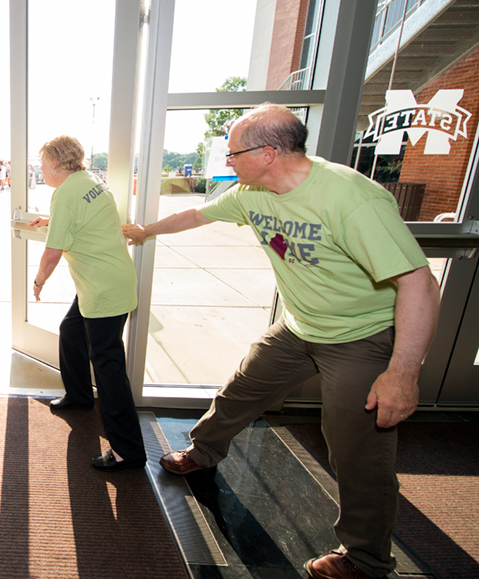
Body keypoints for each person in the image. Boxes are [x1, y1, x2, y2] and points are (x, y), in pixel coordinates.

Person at [122, 104, 440, 579]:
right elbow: (194, 215)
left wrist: (402, 371)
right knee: (240, 391)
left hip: (362, 336)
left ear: (268, 152)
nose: (227, 162)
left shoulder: (351, 198)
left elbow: (418, 281)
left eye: (233, 154)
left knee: (357, 450)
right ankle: (204, 452)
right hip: (300, 327)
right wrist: (147, 231)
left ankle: (366, 559)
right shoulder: (253, 194)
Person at [29, 135, 145, 473]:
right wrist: (51, 221)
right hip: (109, 280)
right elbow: (86, 219)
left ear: (55, 164)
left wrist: (38, 282)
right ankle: (79, 397)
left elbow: (52, 254)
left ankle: (128, 451)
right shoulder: (91, 181)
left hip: (102, 291)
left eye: (42, 163)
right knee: (71, 330)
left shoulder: (65, 193)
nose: (41, 169)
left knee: (109, 371)